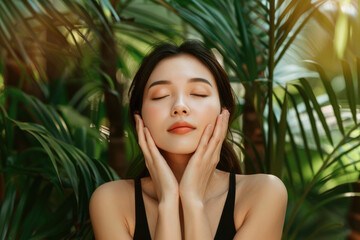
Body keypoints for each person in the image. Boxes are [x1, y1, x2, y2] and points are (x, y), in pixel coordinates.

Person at [89, 40, 288, 240]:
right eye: (160, 96)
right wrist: (167, 201)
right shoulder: (111, 201)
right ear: (139, 117)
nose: (180, 106)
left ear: (224, 112)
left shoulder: (264, 194)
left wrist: (192, 200)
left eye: (198, 93)